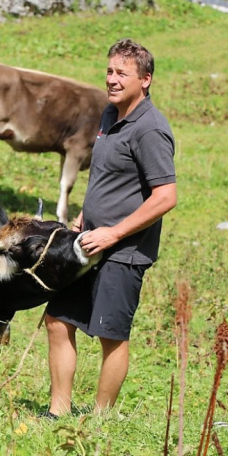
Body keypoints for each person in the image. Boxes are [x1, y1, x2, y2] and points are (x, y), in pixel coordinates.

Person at [44, 39, 177, 416]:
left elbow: (166, 196)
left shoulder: (150, 129)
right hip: (90, 241)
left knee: (111, 336)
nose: (112, 80)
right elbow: (106, 176)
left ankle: (101, 420)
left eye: (122, 73)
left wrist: (114, 232)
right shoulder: (109, 115)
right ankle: (58, 412)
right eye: (109, 71)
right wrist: (87, 216)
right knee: (57, 320)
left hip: (123, 251)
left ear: (146, 80)